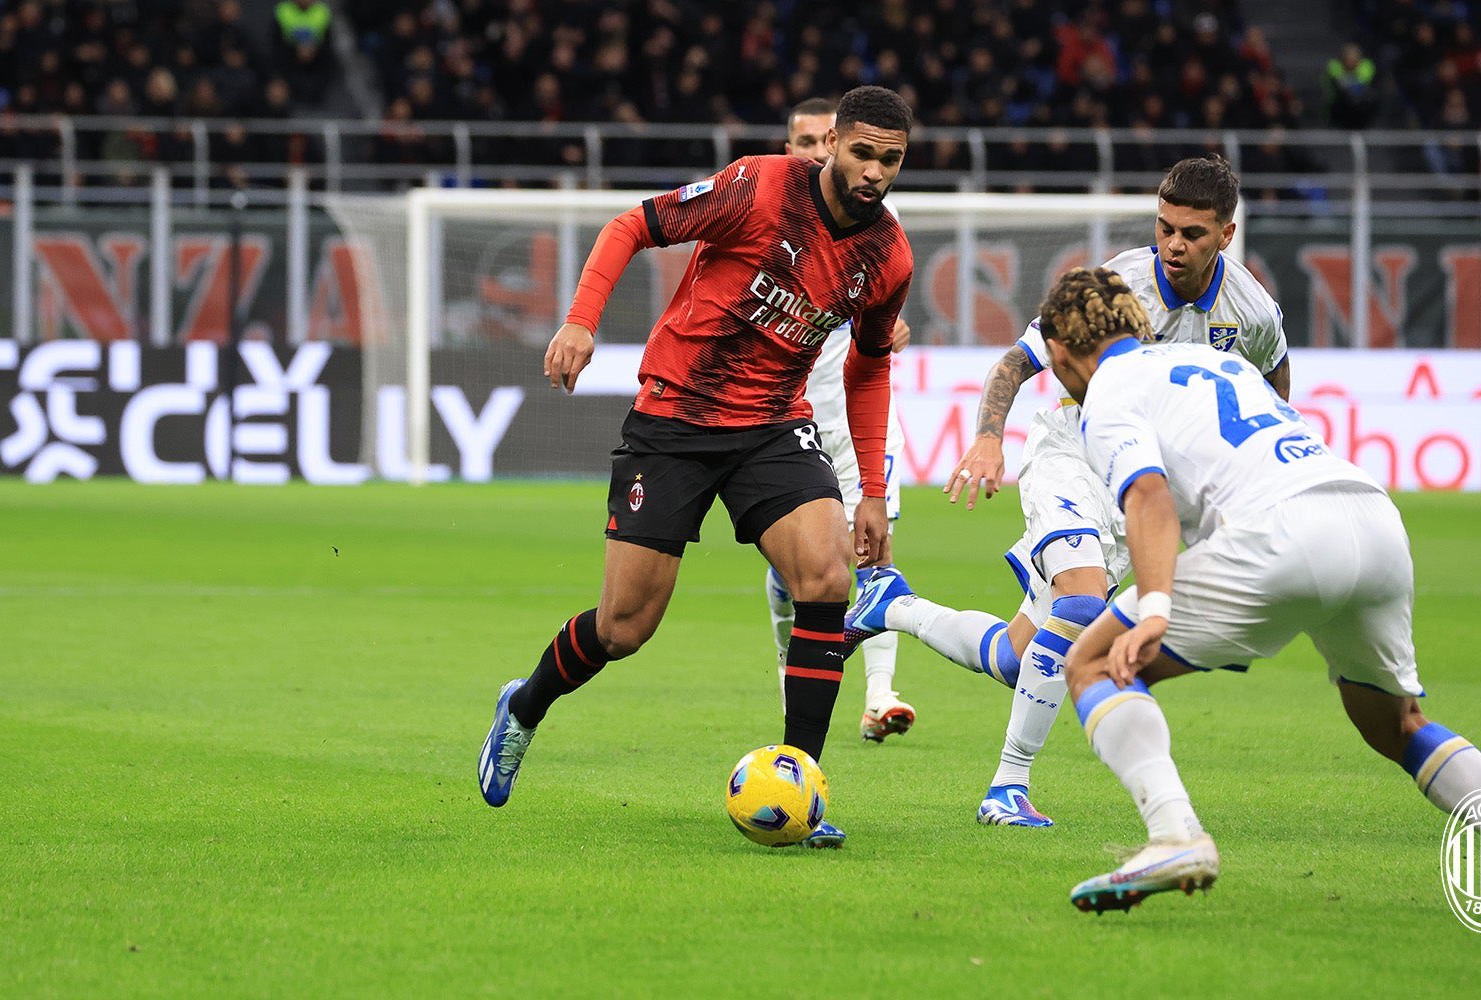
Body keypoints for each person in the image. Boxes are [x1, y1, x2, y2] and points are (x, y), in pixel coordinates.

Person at [1035, 266, 1481, 918]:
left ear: (1061, 354)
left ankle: (1175, 836)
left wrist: (1154, 608)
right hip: (1370, 519)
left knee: (1094, 662)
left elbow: (1148, 495)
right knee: (1395, 722)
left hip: (1282, 535)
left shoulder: (1107, 393)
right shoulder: (1218, 363)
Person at [477, 86, 916, 849]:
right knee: (623, 627)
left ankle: (801, 787)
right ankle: (524, 707)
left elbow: (869, 369)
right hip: (675, 418)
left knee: (826, 578)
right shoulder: (758, 186)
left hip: (774, 425)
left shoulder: (888, 256)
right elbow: (632, 226)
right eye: (862, 152)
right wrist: (582, 322)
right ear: (833, 145)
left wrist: (871, 491)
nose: (874, 171)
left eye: (891, 159)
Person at [846, 155, 1289, 827]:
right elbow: (1016, 362)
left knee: (1019, 656)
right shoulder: (1114, 285)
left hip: (1140, 491)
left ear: (1226, 235)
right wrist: (989, 437)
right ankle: (1007, 788)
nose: (1173, 245)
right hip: (1072, 456)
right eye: (1165, 228)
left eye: (1191, 234)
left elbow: (1273, 383)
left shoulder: (1252, 311)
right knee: (1082, 607)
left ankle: (892, 605)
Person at [770, 97, 916, 744]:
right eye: (800, 139)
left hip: (847, 412)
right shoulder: (770, 208)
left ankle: (880, 695)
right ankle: (790, 676)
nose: (810, 149)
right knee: (789, 572)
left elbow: (882, 310)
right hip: (778, 414)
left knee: (872, 551)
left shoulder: (876, 221)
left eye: (818, 138)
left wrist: (883, 331)